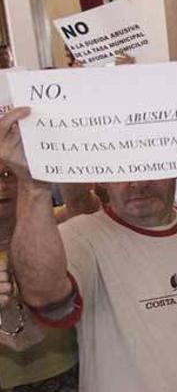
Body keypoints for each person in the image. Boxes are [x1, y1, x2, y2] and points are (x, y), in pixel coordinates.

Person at [1, 107, 177, 392]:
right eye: (123, 168)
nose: (139, 183)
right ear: (102, 178)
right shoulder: (81, 235)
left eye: (151, 165)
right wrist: (32, 185)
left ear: (176, 166)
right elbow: (45, 295)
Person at [0, 163, 78, 391]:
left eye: (7, 175)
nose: (2, 186)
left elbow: (82, 207)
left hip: (65, 372)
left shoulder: (53, 223)